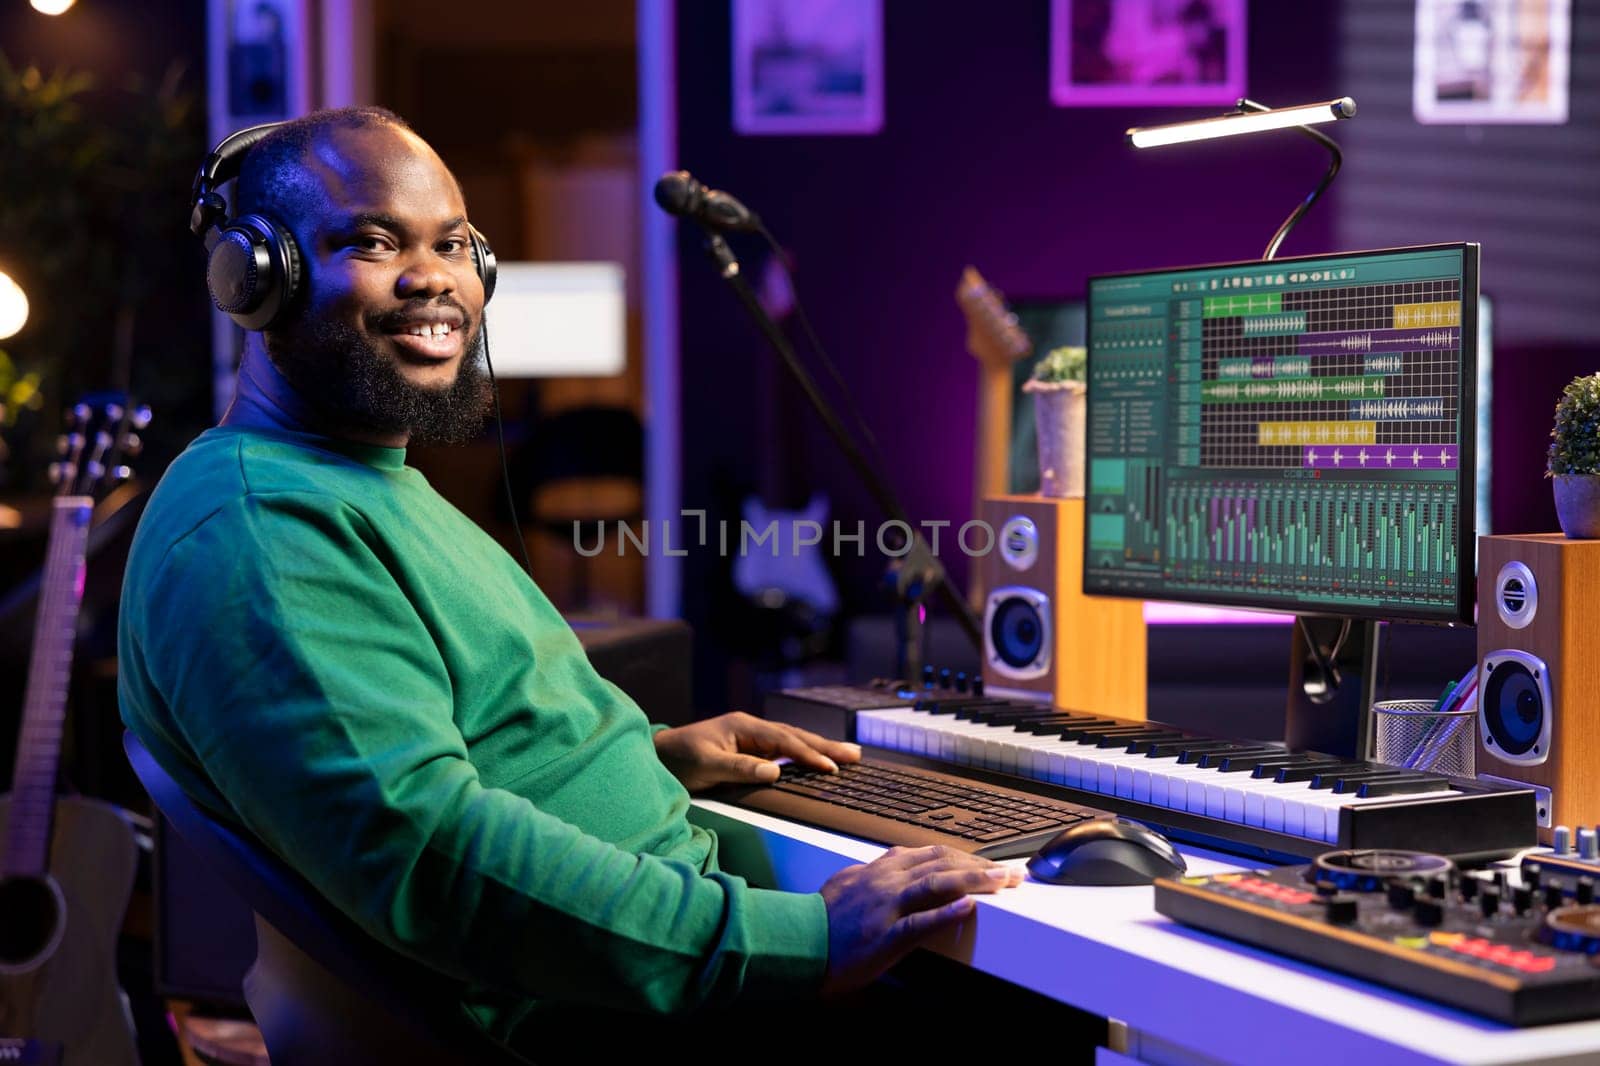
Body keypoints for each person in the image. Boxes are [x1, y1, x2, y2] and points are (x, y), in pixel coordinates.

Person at [117, 106, 1024, 1052]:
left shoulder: (360, 486)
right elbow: (430, 854)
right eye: (375, 242)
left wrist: (653, 753)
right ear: (256, 277)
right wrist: (804, 940)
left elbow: (458, 741)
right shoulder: (261, 529)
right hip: (613, 1019)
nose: (437, 280)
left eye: (456, 244)